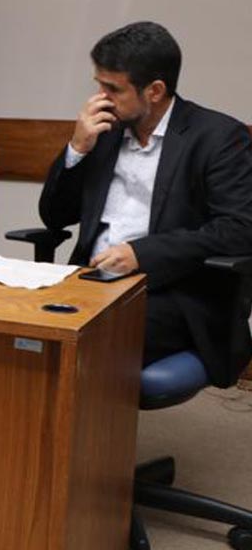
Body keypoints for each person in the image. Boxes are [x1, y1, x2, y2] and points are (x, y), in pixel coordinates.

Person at [38, 21, 252, 385]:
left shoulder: (216, 138)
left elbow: (239, 229)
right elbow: (55, 217)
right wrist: (77, 149)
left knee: (88, 343)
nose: (100, 99)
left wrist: (143, 254)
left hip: (171, 293)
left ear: (154, 91)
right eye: (99, 85)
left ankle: (89, 441)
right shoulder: (103, 131)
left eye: (113, 88)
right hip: (88, 281)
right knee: (17, 326)